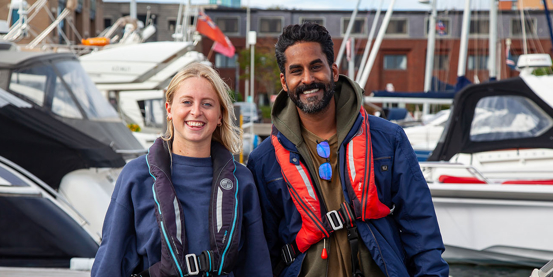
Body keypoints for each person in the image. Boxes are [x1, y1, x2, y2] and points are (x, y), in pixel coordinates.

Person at [246, 22, 449, 277]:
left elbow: (420, 226)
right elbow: (261, 251)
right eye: (296, 71)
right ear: (284, 82)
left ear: (333, 71)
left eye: (316, 66)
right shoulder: (263, 160)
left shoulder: (388, 139)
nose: (308, 79)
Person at [92, 63, 272, 277]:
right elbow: (111, 260)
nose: (196, 111)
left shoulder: (241, 181)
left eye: (207, 104)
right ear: (169, 110)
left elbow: (256, 265)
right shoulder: (135, 176)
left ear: (220, 115)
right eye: (187, 102)